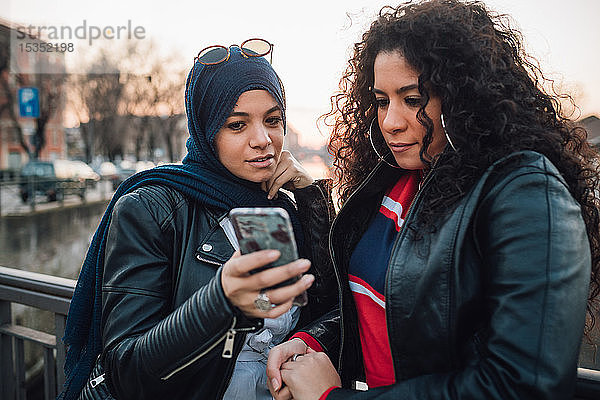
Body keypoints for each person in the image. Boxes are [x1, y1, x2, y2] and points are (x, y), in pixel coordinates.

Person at [266, 1, 600, 399]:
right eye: (381, 100)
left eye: (412, 99)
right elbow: (396, 311)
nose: (390, 121)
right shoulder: (392, 179)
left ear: (463, 99)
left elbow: (521, 385)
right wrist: (317, 343)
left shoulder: (526, 194)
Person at [58, 39, 336, 400]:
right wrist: (220, 301)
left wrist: (312, 196)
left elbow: (337, 311)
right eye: (237, 125)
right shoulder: (153, 208)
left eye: (273, 120)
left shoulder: (282, 209)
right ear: (206, 131)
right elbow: (127, 369)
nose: (263, 140)